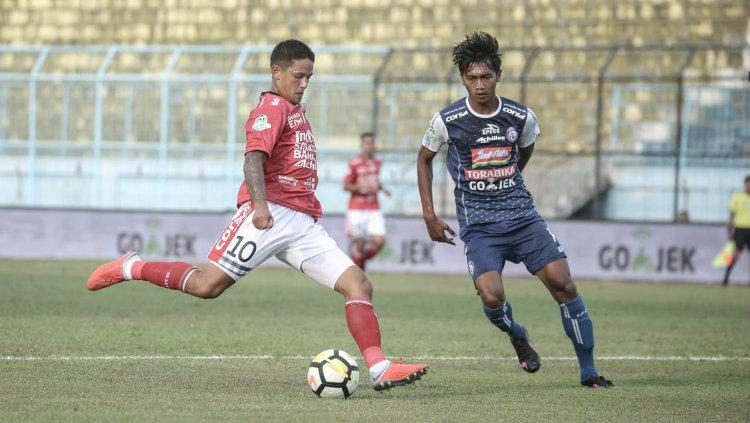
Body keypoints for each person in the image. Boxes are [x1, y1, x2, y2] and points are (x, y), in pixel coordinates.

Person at [87, 39, 428, 391]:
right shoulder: (272, 107)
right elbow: (253, 159)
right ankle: (132, 266)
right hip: (270, 213)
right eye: (298, 76)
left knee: (359, 284)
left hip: (302, 222)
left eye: (309, 77)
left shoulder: (296, 111)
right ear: (276, 73)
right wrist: (261, 207)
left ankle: (379, 367)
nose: (304, 83)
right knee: (208, 286)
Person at [416, 32, 613, 389]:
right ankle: (517, 333)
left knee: (563, 285)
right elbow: (424, 158)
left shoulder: (521, 116)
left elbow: (524, 152)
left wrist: (509, 179)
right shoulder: (447, 120)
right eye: (472, 77)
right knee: (492, 298)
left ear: (499, 74)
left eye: (486, 76)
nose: (479, 85)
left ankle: (589, 373)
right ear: (462, 78)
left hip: (523, 219)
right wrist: (429, 215)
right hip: (479, 226)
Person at [343, 132, 391, 270]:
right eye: (367, 143)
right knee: (360, 243)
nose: (369, 146)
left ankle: (359, 260)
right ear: (361, 145)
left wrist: (382, 188)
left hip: (374, 208)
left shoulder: (378, 162)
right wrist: (359, 187)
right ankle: (359, 271)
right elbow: (346, 186)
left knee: (379, 241)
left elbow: (374, 181)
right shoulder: (354, 163)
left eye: (372, 143)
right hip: (357, 208)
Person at [722, 175, 750, 286]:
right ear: (745, 185)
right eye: (748, 185)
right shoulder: (737, 197)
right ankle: (726, 278)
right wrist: (729, 230)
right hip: (740, 229)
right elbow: (731, 215)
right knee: (735, 255)